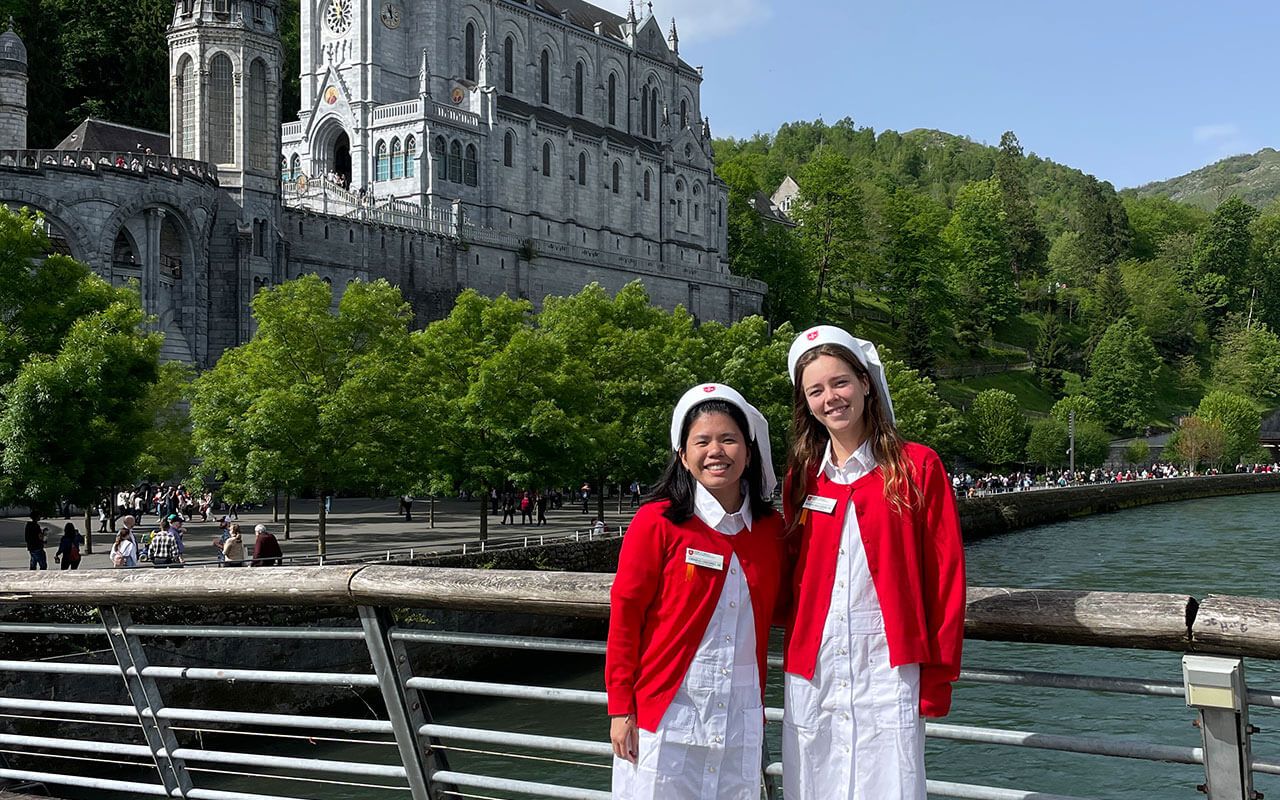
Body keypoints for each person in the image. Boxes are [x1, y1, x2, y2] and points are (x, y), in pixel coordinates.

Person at [781, 326, 966, 800]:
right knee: (813, 783)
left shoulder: (917, 466)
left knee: (891, 786)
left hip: (889, 668)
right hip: (815, 668)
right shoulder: (803, 478)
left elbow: (945, 578)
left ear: (866, 383)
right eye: (816, 390)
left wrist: (938, 677)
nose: (831, 398)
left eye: (840, 382)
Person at [607, 383, 785, 800]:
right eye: (702, 441)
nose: (716, 451)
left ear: (749, 449)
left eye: (728, 439)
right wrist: (620, 707)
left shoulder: (770, 530)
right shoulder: (658, 522)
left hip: (740, 714)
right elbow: (626, 615)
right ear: (683, 456)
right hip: (666, 711)